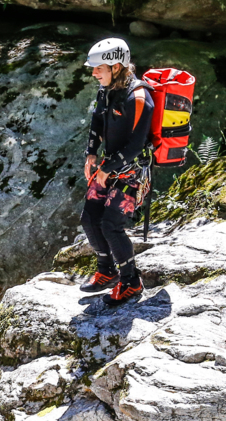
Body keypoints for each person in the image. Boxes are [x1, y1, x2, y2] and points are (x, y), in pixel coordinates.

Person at [79, 37, 154, 307]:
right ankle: (106, 270)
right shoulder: (107, 89)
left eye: (98, 68)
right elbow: (98, 119)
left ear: (117, 66)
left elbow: (136, 145)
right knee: (89, 218)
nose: (93, 72)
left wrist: (107, 169)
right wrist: (91, 153)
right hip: (108, 167)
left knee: (111, 225)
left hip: (131, 170)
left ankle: (131, 281)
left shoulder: (139, 97)